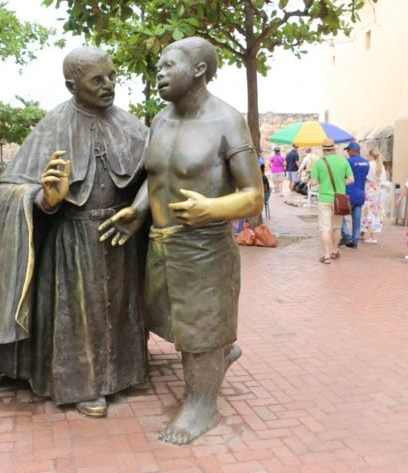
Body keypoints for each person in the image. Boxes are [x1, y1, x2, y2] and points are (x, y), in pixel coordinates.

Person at [0, 47, 149, 418]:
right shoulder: (53, 125)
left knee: (119, 309)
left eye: (112, 76)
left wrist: (139, 211)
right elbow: (8, 191)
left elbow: (159, 172)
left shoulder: (129, 124)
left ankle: (122, 373)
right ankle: (83, 385)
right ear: (72, 85)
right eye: (98, 80)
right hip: (72, 242)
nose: (109, 85)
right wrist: (45, 198)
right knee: (79, 316)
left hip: (119, 236)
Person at [98, 37, 263, 444]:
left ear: (199, 70)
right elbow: (157, 176)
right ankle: (219, 356)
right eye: (159, 66)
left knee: (198, 331)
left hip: (204, 248)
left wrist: (213, 209)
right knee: (173, 322)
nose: (160, 72)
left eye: (170, 64)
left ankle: (202, 405)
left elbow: (253, 196)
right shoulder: (161, 119)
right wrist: (138, 211)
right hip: (162, 243)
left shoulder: (226, 121)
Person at [309, 138, 354, 264]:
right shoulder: (343, 161)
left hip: (324, 198)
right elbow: (351, 179)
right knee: (336, 227)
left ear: (323, 150)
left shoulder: (319, 163)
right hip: (339, 199)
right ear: (334, 148)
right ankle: (334, 251)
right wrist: (341, 183)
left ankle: (326, 256)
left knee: (325, 228)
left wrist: (321, 181)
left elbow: (313, 182)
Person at [339, 142, 370, 248]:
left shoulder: (347, 162)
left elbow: (343, 177)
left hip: (348, 193)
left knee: (340, 215)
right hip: (360, 193)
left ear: (352, 150)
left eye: (348, 150)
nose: (347, 152)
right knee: (356, 218)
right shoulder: (366, 163)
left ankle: (346, 235)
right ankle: (355, 240)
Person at [361, 148, 388, 244]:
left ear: (371, 156)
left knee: (367, 212)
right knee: (375, 212)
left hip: (369, 189)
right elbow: (383, 179)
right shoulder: (381, 166)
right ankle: (371, 235)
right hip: (378, 190)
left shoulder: (369, 165)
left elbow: (364, 176)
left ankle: (370, 236)